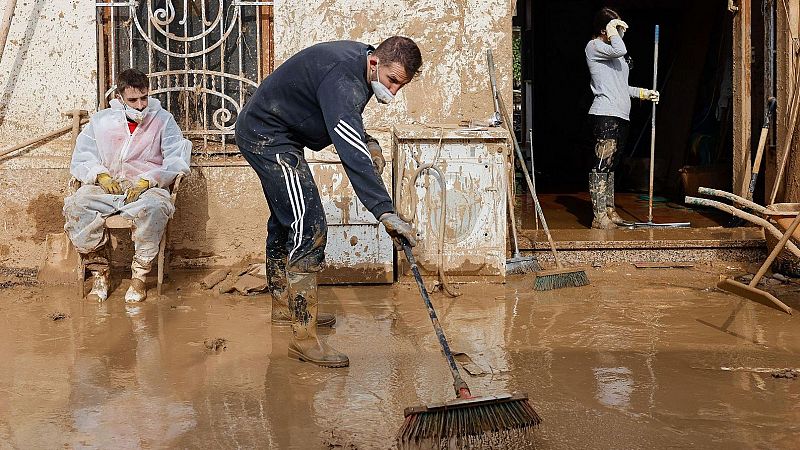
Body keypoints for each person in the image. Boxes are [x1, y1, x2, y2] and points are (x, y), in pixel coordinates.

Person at [235, 37, 422, 368]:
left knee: (285, 219)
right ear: (376, 62)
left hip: (283, 133)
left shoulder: (361, 65)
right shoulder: (344, 76)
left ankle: (285, 307)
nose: (392, 92)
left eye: (400, 86)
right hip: (266, 136)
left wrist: (369, 141)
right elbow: (349, 149)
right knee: (309, 225)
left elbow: (344, 117)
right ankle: (304, 339)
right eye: (392, 81)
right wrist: (385, 211)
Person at [63, 68, 191, 302]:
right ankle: (100, 273)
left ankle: (139, 277)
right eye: (133, 100)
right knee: (77, 205)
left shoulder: (163, 119)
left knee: (154, 208)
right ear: (120, 97)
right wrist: (101, 176)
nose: (141, 105)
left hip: (147, 187)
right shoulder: (101, 121)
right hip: (107, 187)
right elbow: (83, 156)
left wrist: (149, 179)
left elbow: (176, 159)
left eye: (144, 98)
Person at [586, 7, 660, 229]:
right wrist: (612, 31)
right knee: (602, 164)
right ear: (603, 29)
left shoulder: (615, 55)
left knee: (612, 166)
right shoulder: (594, 47)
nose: (619, 31)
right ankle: (599, 216)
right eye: (614, 27)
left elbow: (620, 86)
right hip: (604, 114)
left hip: (621, 114)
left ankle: (610, 210)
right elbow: (620, 49)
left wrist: (643, 93)